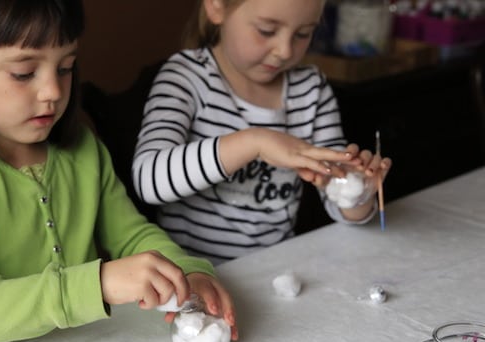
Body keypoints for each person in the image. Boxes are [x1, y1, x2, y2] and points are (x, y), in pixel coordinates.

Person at [0, 0, 237, 342]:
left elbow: (133, 235)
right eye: (24, 73)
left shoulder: (83, 151)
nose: (53, 91)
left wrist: (188, 273)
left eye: (66, 67)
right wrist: (96, 284)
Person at [131, 0, 392, 264]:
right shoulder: (186, 78)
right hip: (195, 277)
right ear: (216, 7)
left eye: (303, 33)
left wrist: (357, 191)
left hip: (274, 270)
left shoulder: (311, 90)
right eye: (267, 30)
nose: (284, 50)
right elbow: (148, 181)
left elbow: (340, 204)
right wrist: (255, 142)